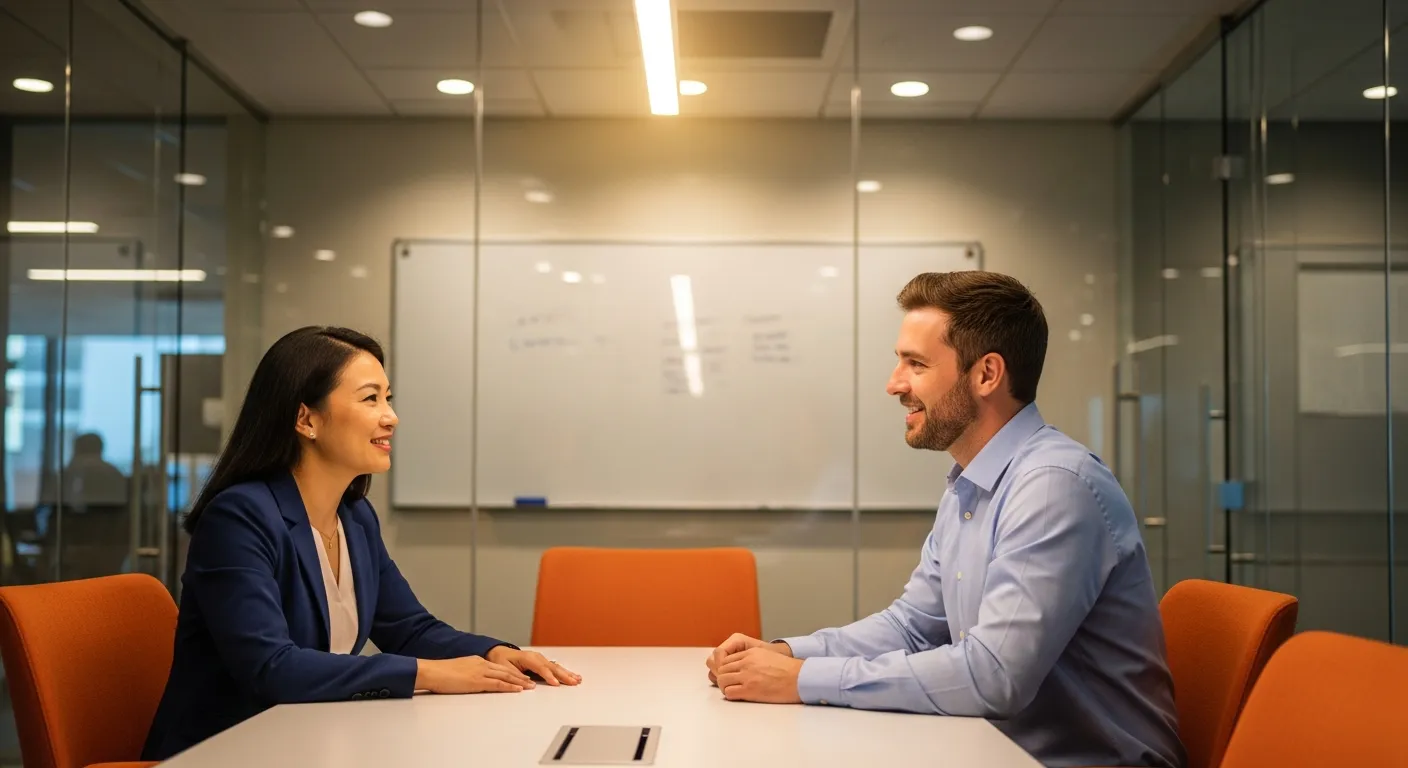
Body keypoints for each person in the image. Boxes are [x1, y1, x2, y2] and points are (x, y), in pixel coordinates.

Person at [705, 272, 1185, 768]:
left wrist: (802, 680)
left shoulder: (1052, 486)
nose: (894, 384)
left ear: (986, 374)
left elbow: (993, 677)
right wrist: (786, 653)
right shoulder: (971, 484)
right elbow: (913, 626)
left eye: (915, 364)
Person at [143, 326, 581, 761]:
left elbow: (409, 628)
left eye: (388, 398)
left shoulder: (354, 516)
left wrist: (493, 653)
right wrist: (429, 674)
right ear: (306, 420)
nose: (390, 416)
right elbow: (271, 668)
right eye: (371, 398)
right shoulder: (239, 517)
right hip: (228, 750)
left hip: (310, 741)